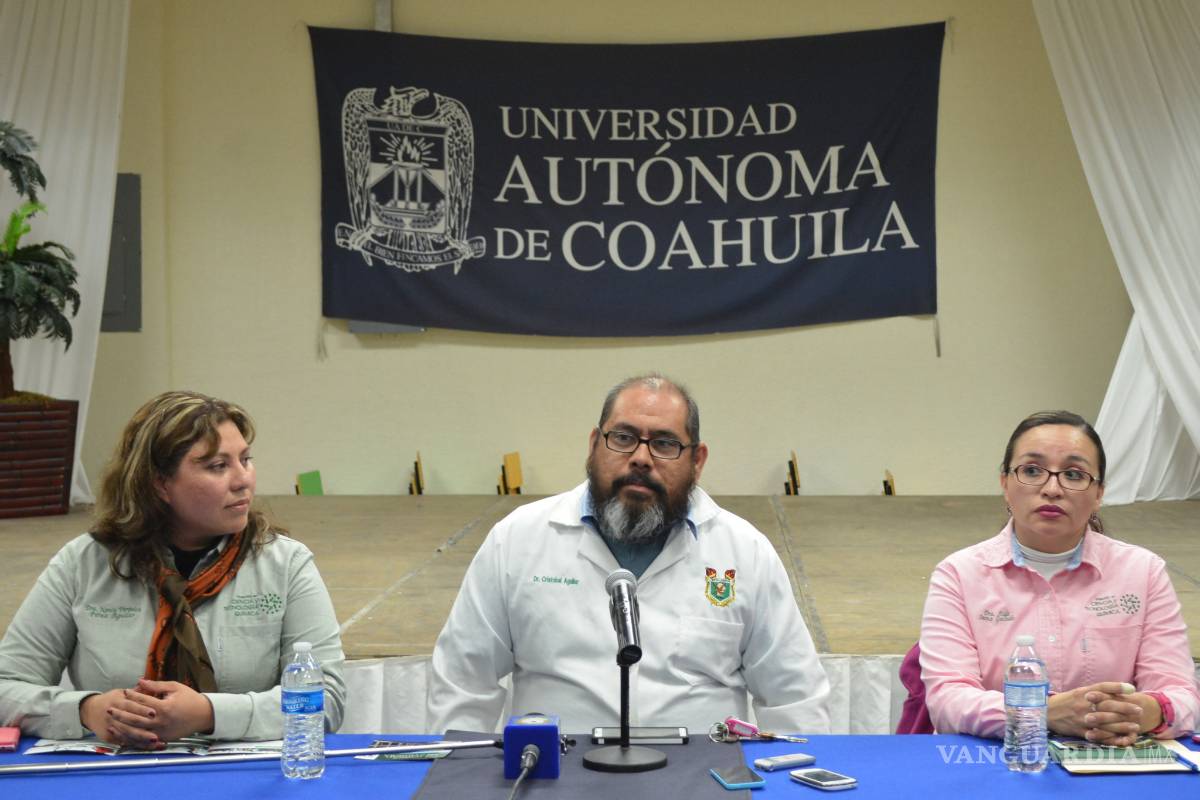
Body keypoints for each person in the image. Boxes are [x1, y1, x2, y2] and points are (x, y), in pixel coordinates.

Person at [428, 374, 830, 734]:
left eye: (664, 443)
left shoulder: (745, 552)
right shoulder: (517, 540)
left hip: (702, 783)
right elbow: (463, 684)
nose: (640, 457)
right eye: (623, 437)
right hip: (556, 778)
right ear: (593, 445)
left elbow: (795, 700)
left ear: (697, 460)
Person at [0, 391, 345, 745]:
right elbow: (6, 687)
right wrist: (85, 710)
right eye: (218, 466)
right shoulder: (84, 563)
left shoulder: (286, 564)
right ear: (159, 484)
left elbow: (326, 700)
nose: (243, 480)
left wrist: (209, 715)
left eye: (246, 459)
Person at [920, 410, 1198, 744]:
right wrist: (1044, 712)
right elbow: (947, 701)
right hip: (997, 761)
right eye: (1032, 471)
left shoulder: (1142, 571)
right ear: (1005, 484)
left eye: (1074, 474)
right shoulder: (959, 574)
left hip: (1111, 762)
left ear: (1098, 494)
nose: (1052, 489)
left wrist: (1142, 711)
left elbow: (1183, 696)